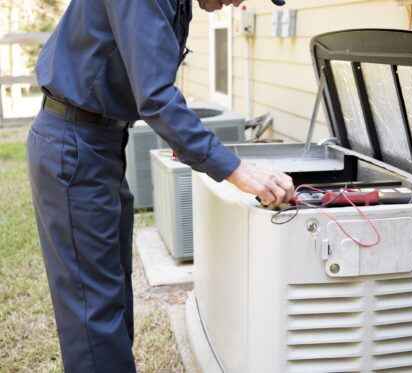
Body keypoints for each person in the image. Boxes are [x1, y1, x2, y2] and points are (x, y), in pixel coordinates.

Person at [26, 0, 293, 371]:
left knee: (112, 293)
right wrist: (235, 170)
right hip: (75, 144)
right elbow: (155, 97)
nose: (238, 2)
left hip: (100, 142)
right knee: (93, 311)